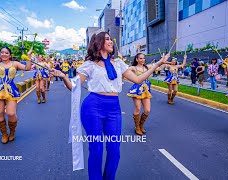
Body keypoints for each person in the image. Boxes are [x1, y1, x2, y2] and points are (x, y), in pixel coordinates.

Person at [51, 32, 168, 180]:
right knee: (96, 150)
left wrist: (158, 64)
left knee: (114, 151)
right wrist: (63, 77)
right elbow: (74, 85)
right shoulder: (89, 65)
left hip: (114, 109)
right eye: (107, 39)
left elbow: (138, 79)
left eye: (111, 39)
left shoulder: (119, 63)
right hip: (93, 107)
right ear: (99, 43)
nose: (111, 41)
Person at [126, 53, 156, 135]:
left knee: (147, 110)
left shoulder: (147, 67)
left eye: (143, 58)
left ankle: (141, 125)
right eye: (140, 58)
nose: (143, 60)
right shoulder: (134, 68)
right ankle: (137, 127)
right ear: (137, 59)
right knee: (138, 108)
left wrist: (164, 60)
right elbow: (124, 70)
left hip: (146, 90)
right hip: (137, 90)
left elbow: (158, 66)